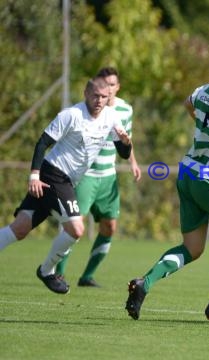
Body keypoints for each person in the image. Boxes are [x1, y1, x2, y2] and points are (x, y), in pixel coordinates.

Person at [125, 48, 209, 326]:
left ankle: (145, 282)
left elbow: (189, 105)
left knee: (193, 247)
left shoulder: (206, 90)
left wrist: (204, 131)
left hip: (187, 171)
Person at [0, 77, 132, 294]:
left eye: (104, 97)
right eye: (95, 96)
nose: (99, 101)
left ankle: (46, 270)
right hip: (53, 174)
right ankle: (47, 270)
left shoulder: (111, 117)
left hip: (66, 179)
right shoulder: (72, 115)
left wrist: (127, 143)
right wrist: (34, 176)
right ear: (86, 94)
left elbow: (124, 154)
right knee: (77, 228)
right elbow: (42, 142)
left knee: (20, 228)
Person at [55, 67, 141, 287]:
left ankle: (87, 276)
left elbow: (126, 140)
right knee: (74, 226)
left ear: (117, 87)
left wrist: (133, 162)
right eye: (104, 85)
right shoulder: (87, 109)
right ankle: (58, 273)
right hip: (87, 175)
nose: (108, 89)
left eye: (112, 85)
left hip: (108, 176)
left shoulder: (125, 110)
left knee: (109, 227)